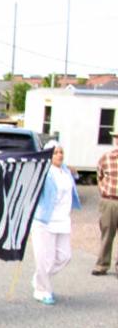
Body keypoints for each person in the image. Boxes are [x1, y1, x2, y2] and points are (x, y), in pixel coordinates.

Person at [30, 141, 80, 305]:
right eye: (55, 153)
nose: (59, 155)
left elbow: (74, 181)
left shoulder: (65, 171)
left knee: (65, 256)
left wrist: (74, 172)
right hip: (44, 220)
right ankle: (42, 290)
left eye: (61, 152)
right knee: (45, 259)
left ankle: (39, 279)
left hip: (63, 220)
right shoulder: (43, 172)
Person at [92, 129, 118, 277]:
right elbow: (99, 176)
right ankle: (102, 265)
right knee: (107, 233)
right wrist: (103, 191)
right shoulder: (106, 158)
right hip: (109, 200)